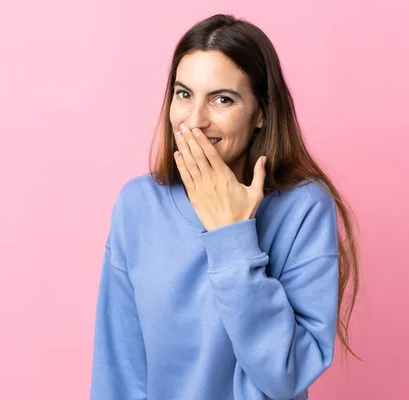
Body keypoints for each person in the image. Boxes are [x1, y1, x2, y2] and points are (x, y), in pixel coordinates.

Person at [90, 13, 361, 400]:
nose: (195, 120)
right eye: (184, 94)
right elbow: (119, 369)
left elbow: (284, 375)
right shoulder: (138, 206)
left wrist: (232, 238)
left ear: (261, 114)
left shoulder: (303, 208)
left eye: (222, 99)